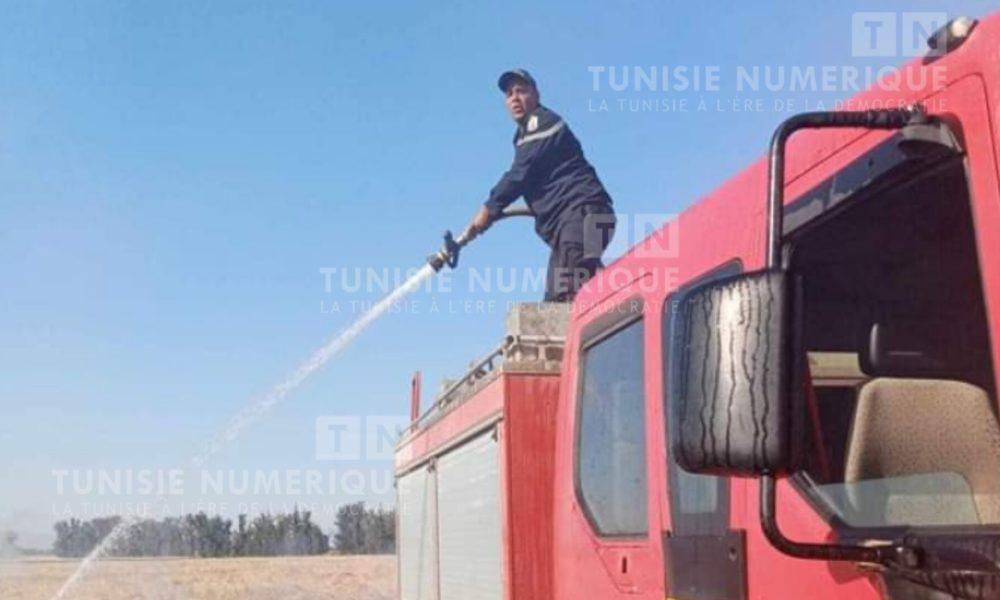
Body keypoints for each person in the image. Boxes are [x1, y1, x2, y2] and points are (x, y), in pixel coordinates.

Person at [468, 68, 616, 302]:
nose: (514, 98)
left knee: (567, 292)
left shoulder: (544, 121)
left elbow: (519, 174)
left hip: (584, 213)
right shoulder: (522, 136)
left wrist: (489, 208)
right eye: (509, 94)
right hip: (568, 227)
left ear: (536, 95)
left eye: (521, 91)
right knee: (554, 301)